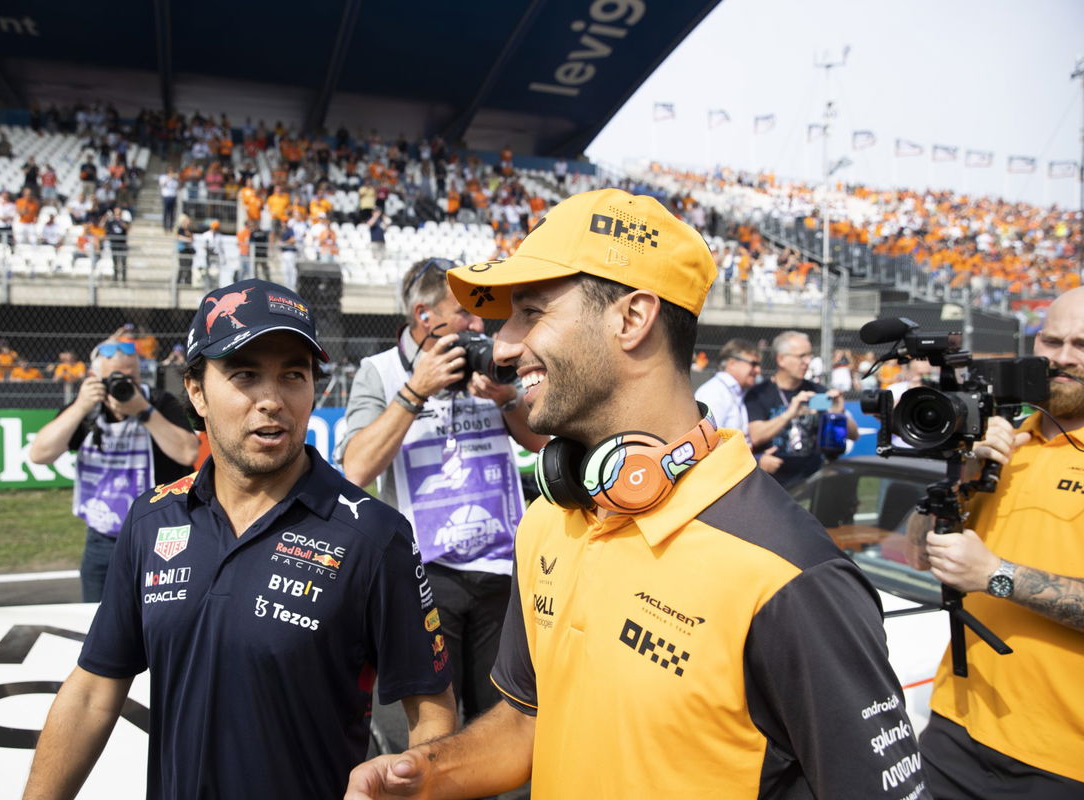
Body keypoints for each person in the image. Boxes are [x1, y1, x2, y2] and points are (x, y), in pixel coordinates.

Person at [346, 188, 922, 800]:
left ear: (631, 318)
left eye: (532, 312)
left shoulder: (787, 575)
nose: (506, 347)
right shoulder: (548, 521)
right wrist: (423, 775)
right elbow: (527, 723)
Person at [23, 279, 456, 800]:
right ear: (196, 391)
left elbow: (432, 712)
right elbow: (93, 689)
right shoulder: (152, 520)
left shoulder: (373, 536)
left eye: (293, 375)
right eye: (244, 375)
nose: (272, 400)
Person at [339, 258, 547, 729]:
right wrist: (416, 391)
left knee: (503, 715)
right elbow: (356, 467)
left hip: (501, 565)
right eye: (465, 315)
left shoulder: (490, 364)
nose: (478, 326)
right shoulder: (382, 372)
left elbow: (540, 442)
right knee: (435, 720)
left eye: (479, 316)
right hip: (425, 570)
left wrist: (506, 397)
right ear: (424, 317)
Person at [905, 286, 1084, 798]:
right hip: (956, 728)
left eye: (1082, 344)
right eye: (1051, 340)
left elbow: (986, 571)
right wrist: (962, 471)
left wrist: (996, 576)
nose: (1063, 357)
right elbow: (919, 553)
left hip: (1063, 762)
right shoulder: (1004, 439)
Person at [28, 338, 198, 601]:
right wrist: (81, 407)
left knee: (161, 619)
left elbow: (188, 452)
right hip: (103, 537)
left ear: (140, 375)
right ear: (95, 378)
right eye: (113, 378)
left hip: (159, 535)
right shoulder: (87, 411)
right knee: (96, 616)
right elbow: (39, 454)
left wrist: (143, 411)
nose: (123, 384)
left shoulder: (158, 402)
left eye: (130, 376)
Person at [744, 331, 858, 489]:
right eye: (801, 356)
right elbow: (756, 436)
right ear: (781, 359)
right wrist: (789, 414)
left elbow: (854, 434)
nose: (807, 361)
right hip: (774, 484)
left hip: (812, 482)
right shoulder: (760, 394)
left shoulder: (817, 391)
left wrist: (838, 413)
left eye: (809, 356)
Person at [693, 337, 783, 475]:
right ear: (732, 363)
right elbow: (709, 446)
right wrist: (757, 460)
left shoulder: (735, 391)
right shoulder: (714, 392)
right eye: (753, 364)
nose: (758, 370)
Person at [158, 167, 178, 232]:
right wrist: (169, 178)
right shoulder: (163, 177)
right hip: (166, 196)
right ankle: (165, 227)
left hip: (173, 196)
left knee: (172, 213)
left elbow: (177, 187)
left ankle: (171, 227)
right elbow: (162, 184)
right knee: (165, 212)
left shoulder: (175, 180)